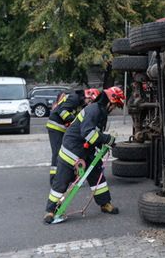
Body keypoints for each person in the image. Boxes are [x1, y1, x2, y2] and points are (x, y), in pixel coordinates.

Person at [43, 87, 125, 224]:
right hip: (72, 149)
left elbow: (94, 136)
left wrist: (103, 145)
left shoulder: (101, 113)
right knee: (61, 181)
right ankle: (50, 211)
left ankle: (105, 204)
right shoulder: (94, 110)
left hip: (87, 151)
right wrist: (106, 139)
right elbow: (88, 133)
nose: (115, 108)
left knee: (98, 176)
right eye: (116, 105)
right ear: (110, 102)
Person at [46, 89, 100, 184]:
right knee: (57, 152)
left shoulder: (81, 102)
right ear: (87, 96)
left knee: (66, 151)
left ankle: (68, 176)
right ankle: (54, 179)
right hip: (55, 126)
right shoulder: (74, 98)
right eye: (90, 100)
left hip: (63, 128)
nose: (89, 103)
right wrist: (75, 121)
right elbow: (62, 112)